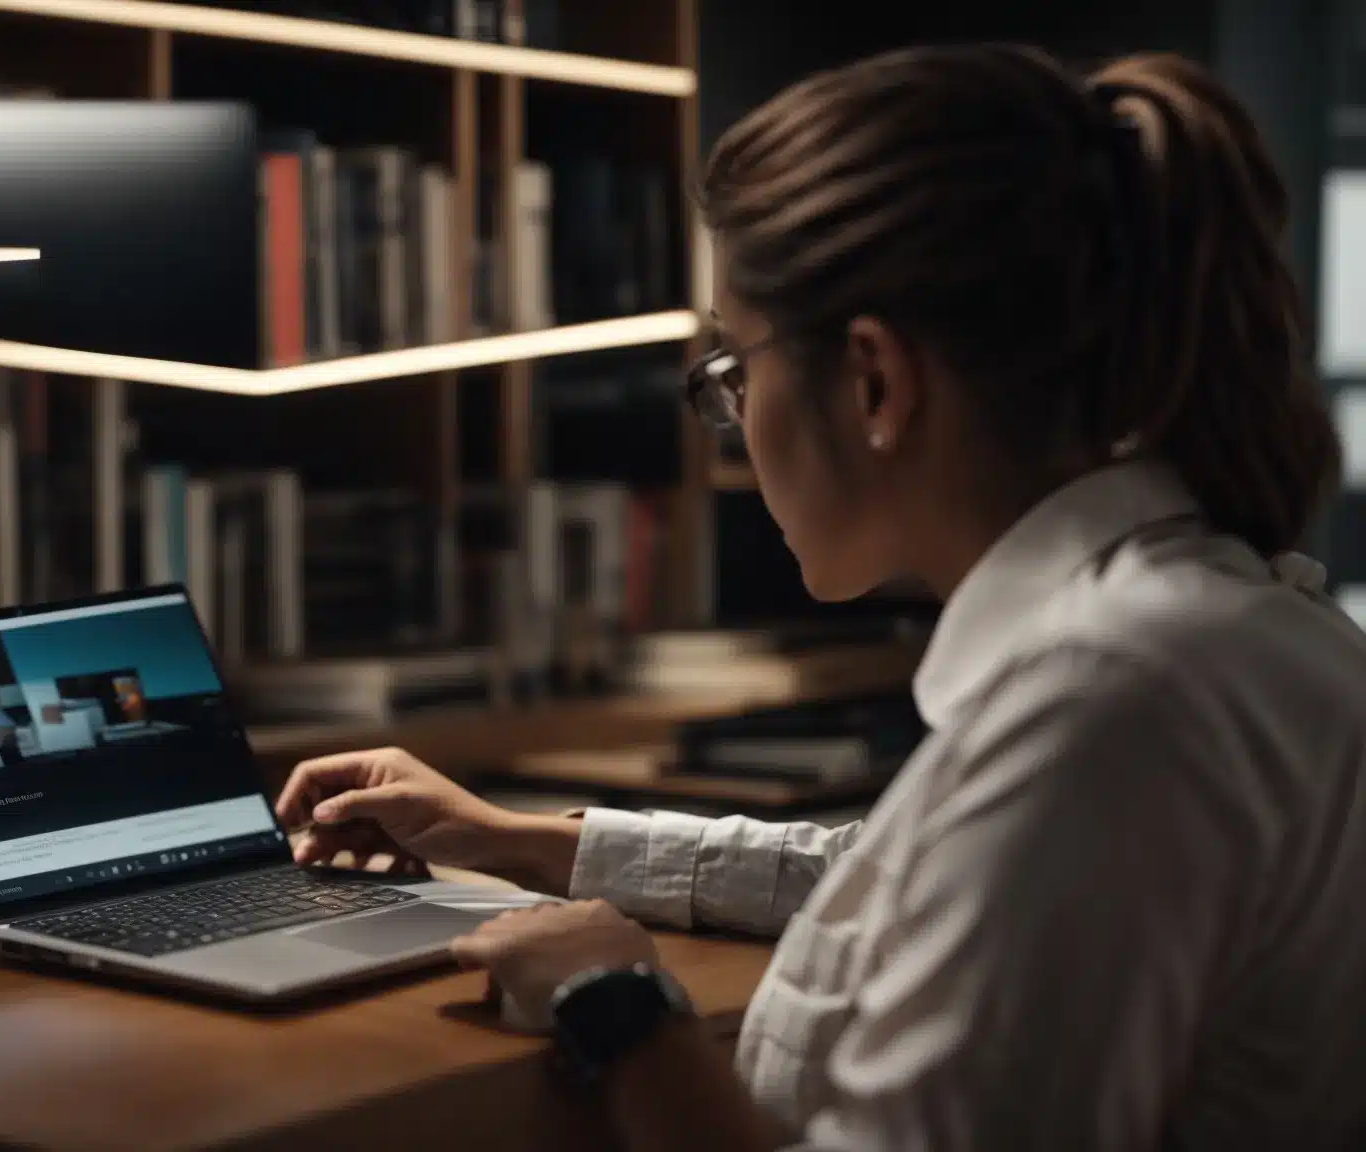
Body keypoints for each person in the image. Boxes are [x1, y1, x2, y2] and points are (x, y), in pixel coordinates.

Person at [276, 44, 1366, 1151]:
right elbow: (896, 880)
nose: (733, 424)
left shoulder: (1108, 709)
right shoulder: (1218, 628)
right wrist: (514, 839)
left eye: (733, 372)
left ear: (873, 383)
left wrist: (616, 1003)